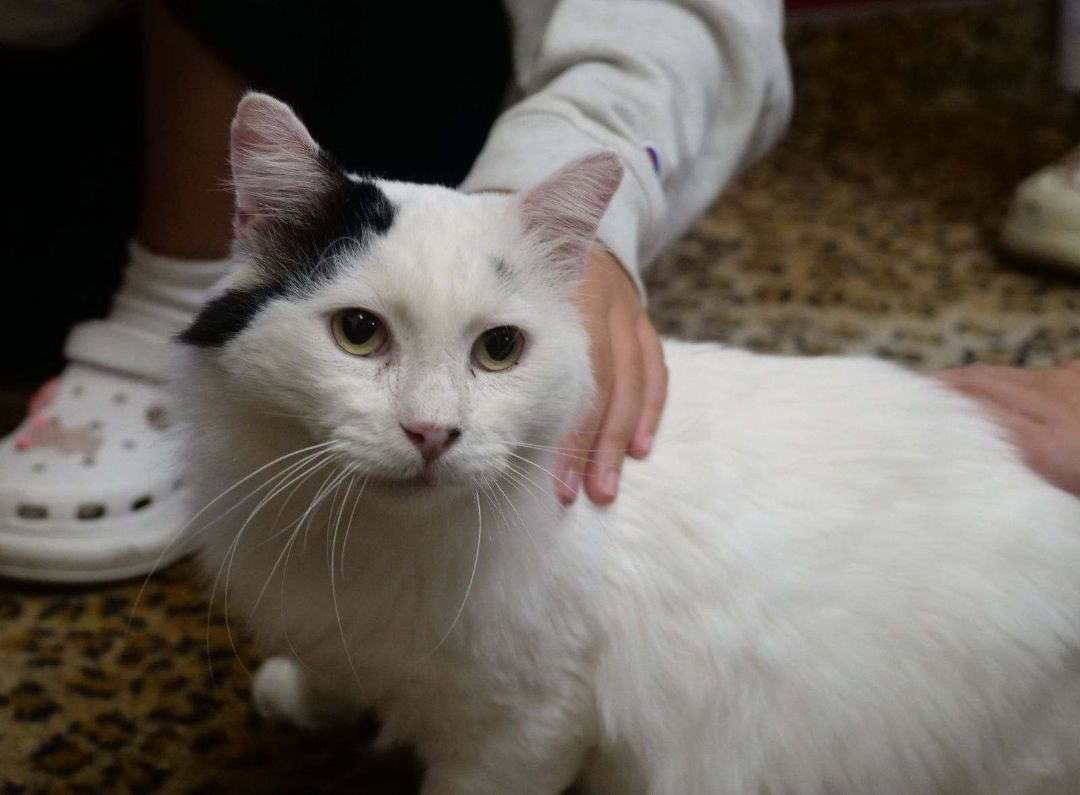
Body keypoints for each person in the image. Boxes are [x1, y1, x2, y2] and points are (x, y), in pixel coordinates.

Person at [0, 1, 1074, 584]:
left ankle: (171, 281)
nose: (428, 423)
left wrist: (568, 205)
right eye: (364, 333)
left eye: (500, 352)